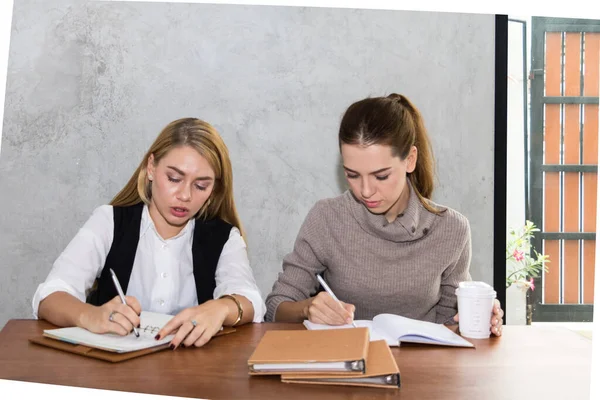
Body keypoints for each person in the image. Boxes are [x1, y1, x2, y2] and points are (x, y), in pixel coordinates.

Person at [265, 93, 503, 336]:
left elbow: (449, 326)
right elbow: (276, 306)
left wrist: (476, 317)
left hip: (421, 368)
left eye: (381, 176)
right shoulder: (327, 218)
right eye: (352, 175)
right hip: (346, 364)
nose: (365, 191)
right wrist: (306, 308)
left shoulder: (451, 229)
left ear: (410, 160)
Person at [32, 117, 265, 348]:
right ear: (151, 167)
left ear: (213, 189)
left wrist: (221, 308)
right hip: (112, 373)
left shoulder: (224, 238)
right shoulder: (109, 221)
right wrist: (90, 316)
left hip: (192, 374)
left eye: (201, 185)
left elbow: (251, 300)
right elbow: (50, 296)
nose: (185, 195)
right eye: (174, 178)